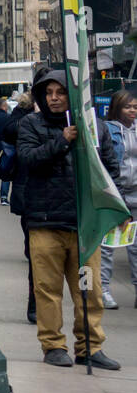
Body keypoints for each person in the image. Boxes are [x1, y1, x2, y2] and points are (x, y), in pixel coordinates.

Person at [18, 70, 122, 370]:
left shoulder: (94, 127)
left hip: (83, 227)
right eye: (48, 92)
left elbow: (110, 170)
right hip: (45, 223)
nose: (54, 98)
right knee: (47, 290)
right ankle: (53, 345)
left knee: (89, 291)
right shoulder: (31, 123)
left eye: (60, 92)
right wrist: (61, 141)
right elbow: (28, 159)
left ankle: (90, 346)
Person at [1, 90, 37, 323]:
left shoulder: (69, 119)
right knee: (37, 253)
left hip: (61, 203)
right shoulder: (22, 115)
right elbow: (10, 133)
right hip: (29, 189)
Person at [99, 89, 137, 309]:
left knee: (135, 246)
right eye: (127, 106)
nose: (132, 110)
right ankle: (103, 290)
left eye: (135, 107)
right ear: (116, 108)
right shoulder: (107, 129)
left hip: (135, 193)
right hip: (114, 195)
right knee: (108, 245)